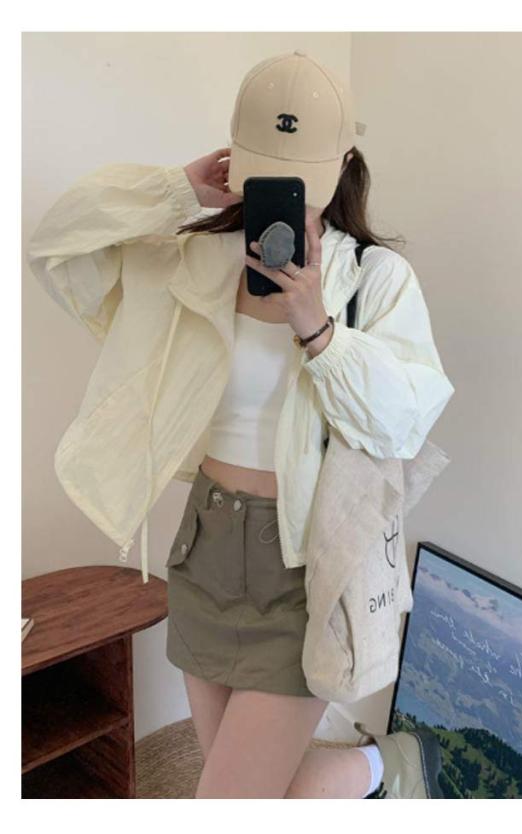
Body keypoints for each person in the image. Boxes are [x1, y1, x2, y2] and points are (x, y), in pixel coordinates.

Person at [28, 51, 454, 799]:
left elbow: (406, 422)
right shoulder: (193, 259)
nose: (285, 196)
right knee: (255, 790)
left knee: (225, 801)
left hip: (303, 565)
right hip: (204, 549)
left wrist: (319, 330)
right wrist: (172, 191)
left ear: (342, 166)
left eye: (300, 178)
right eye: (266, 173)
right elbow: (55, 248)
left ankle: (380, 766)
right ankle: (387, 766)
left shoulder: (375, 279)